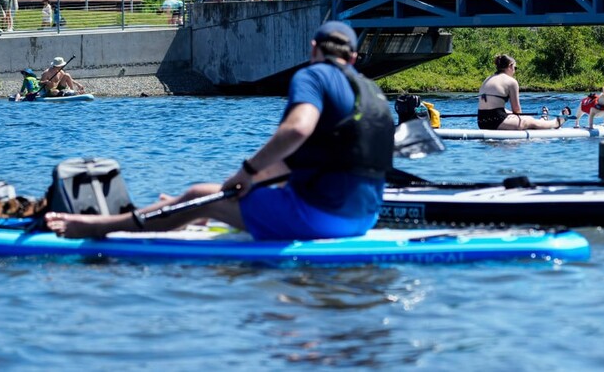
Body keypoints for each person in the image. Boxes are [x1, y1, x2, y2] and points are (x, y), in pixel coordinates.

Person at [46, 21, 395, 241]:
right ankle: (194, 213)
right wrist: (240, 187)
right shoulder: (371, 92)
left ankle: (93, 228)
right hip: (362, 220)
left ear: (314, 50)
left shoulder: (313, 75)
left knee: (197, 192)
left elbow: (297, 129)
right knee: (211, 200)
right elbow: (307, 160)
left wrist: (246, 172)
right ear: (353, 58)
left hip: (320, 218)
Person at [477, 54, 569, 130]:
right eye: (515, 68)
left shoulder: (487, 78)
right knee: (528, 120)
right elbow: (517, 111)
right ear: (510, 66)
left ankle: (542, 121)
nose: (515, 71)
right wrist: (523, 118)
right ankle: (555, 123)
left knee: (508, 112)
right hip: (496, 122)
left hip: (481, 121)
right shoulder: (511, 82)